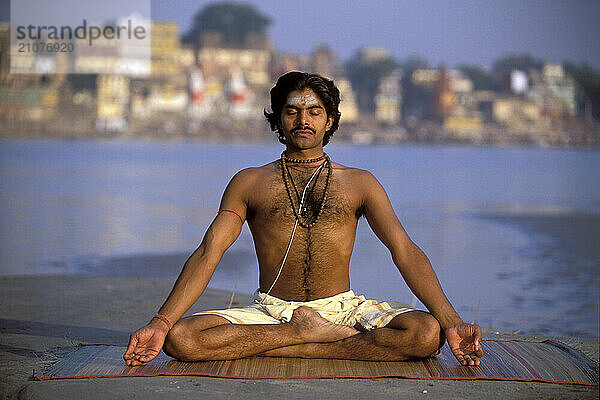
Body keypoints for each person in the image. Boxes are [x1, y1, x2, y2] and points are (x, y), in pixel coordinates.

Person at [124, 71, 483, 367]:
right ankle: (303, 335)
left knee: (426, 333)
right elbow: (209, 251)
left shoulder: (361, 183)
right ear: (279, 118)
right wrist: (160, 323)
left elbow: (404, 250)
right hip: (272, 312)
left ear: (329, 121)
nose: (303, 120)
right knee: (181, 339)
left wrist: (452, 323)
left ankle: (310, 339)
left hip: (341, 310)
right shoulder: (248, 182)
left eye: (314, 111)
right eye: (292, 111)